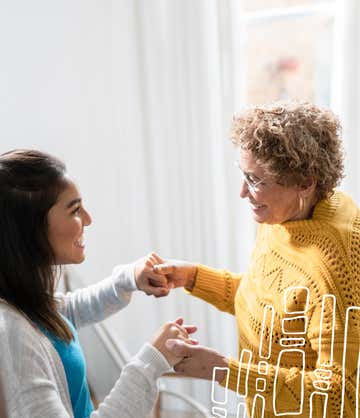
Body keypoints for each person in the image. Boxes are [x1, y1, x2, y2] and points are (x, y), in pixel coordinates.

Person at [151, 102, 360, 417]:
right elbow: (270, 306)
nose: (243, 193)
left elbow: (338, 392)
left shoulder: (332, 262)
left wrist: (224, 371)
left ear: (305, 181)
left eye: (256, 180)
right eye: (244, 174)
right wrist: (194, 277)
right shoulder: (285, 217)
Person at [0, 149, 197, 418]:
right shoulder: (12, 336)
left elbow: (68, 310)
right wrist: (151, 362)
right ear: (30, 228)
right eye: (75, 210)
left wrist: (130, 278)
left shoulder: (24, 302)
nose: (89, 219)